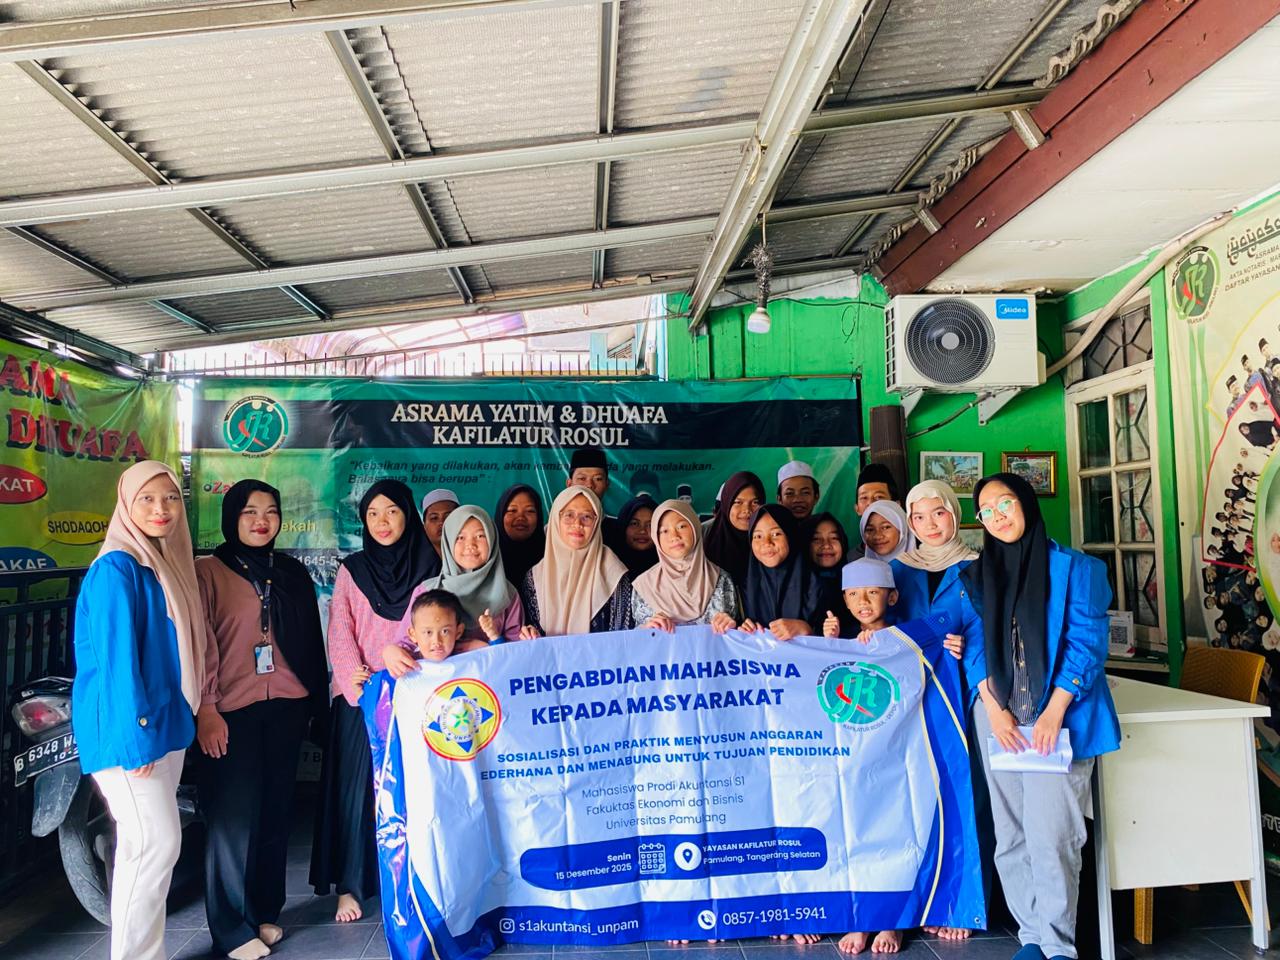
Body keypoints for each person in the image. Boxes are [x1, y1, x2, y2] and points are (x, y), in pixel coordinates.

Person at [962, 473, 1120, 960]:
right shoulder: (977, 574)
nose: (997, 516)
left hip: (1059, 720)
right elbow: (971, 646)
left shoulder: (1078, 568)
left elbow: (1087, 643)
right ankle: (1031, 935)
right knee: (1011, 834)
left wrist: (1054, 711)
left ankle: (1058, 945)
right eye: (986, 511)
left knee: (1052, 835)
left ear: (1026, 503)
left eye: (1005, 503)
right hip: (1000, 721)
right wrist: (994, 708)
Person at [71, 461, 205, 960]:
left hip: (165, 726)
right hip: (131, 733)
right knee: (156, 844)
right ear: (126, 505)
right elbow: (116, 664)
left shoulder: (163, 562)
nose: (160, 509)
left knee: (143, 848)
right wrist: (136, 737)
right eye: (146, 499)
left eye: (170, 498)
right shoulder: (117, 568)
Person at [195, 480, 327, 960]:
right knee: (233, 819)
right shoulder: (208, 571)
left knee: (274, 812)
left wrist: (314, 705)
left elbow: (310, 641)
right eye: (250, 511)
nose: (261, 521)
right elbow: (201, 644)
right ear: (232, 517)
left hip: (287, 705)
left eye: (270, 511)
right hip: (231, 711)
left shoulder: (290, 572)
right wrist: (207, 708)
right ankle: (231, 928)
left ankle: (264, 912)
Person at [311, 479, 434, 923]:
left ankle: (411, 879)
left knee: (412, 789)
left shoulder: (431, 567)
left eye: (393, 511)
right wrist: (358, 686)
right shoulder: (353, 570)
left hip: (412, 695)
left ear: (408, 515)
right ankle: (351, 885)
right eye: (373, 514)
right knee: (356, 792)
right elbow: (340, 630)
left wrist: (396, 673)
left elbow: (429, 629)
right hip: (360, 698)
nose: (383, 522)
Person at [892, 479, 982, 942]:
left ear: (955, 514)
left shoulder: (978, 566)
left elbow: (991, 627)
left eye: (939, 513)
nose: (930, 524)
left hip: (961, 695)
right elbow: (881, 627)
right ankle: (910, 902)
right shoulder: (898, 569)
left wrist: (969, 648)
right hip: (907, 700)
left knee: (960, 793)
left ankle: (959, 904)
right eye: (919, 517)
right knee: (912, 798)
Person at [822, 556, 903, 955]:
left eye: (872, 592)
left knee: (893, 829)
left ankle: (892, 921)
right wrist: (831, 644)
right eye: (854, 594)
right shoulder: (847, 639)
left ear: (892, 596)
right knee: (856, 828)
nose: (863, 602)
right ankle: (861, 917)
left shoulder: (906, 641)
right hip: (855, 757)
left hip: (894, 754)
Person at [387, 506, 526, 670]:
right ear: (448, 541)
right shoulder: (427, 591)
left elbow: (517, 651)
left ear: (492, 539)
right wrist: (391, 652)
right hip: (440, 683)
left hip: (490, 680)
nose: (470, 545)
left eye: (480, 536)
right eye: (460, 537)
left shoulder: (507, 593)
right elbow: (405, 644)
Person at [519, 486, 635, 635]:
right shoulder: (534, 578)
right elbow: (530, 636)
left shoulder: (614, 574)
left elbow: (622, 636)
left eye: (587, 517)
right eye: (569, 515)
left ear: (597, 522)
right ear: (556, 519)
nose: (577, 524)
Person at [632, 499, 739, 633]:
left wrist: (731, 626)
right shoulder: (644, 586)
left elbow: (736, 636)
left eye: (681, 526)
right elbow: (635, 640)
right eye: (664, 531)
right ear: (656, 537)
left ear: (695, 527)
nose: (674, 536)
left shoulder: (721, 579)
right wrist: (645, 630)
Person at [740, 504, 823, 641]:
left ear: (790, 536)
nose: (767, 543)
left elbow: (835, 640)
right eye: (758, 536)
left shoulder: (816, 584)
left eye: (776, 534)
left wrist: (806, 629)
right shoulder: (741, 585)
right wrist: (741, 629)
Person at [380, 589, 468, 679]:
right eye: (428, 632)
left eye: (445, 631)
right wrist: (388, 651)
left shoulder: (467, 658)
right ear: (413, 635)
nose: (436, 641)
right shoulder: (406, 665)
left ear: (458, 632)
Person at [703, 471, 765, 590]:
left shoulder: (771, 538)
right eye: (738, 502)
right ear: (727, 504)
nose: (747, 510)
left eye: (755, 502)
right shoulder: (703, 538)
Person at [802, 511, 855, 637]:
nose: (826, 545)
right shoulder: (795, 588)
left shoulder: (856, 582)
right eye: (816, 539)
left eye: (834, 538)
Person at [566, 446, 623, 542]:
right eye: (582, 478)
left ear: (607, 484)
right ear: (569, 484)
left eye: (598, 479)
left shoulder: (619, 530)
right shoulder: (554, 527)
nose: (589, 485)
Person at [495, 483, 546, 587]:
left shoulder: (550, 555)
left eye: (529, 511)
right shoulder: (489, 557)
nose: (520, 518)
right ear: (501, 514)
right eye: (512, 510)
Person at [607, 493, 659, 576]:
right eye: (634, 523)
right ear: (623, 526)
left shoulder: (669, 567)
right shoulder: (607, 564)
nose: (642, 531)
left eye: (650, 525)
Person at [421, 488, 459, 559]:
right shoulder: (413, 562)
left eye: (448, 517)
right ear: (424, 526)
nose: (442, 522)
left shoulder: (473, 560)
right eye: (434, 518)